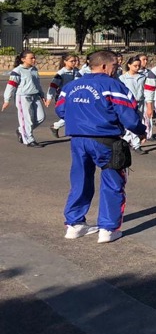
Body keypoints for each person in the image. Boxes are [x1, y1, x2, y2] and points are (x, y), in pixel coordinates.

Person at [57, 50, 146, 244]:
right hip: (106, 140)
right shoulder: (113, 85)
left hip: (78, 139)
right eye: (115, 66)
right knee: (113, 183)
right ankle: (108, 228)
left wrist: (81, 120)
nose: (116, 69)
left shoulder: (71, 86)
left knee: (80, 180)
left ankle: (74, 224)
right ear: (105, 66)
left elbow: (61, 109)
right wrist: (141, 130)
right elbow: (129, 114)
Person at [3, 50, 46, 147]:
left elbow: (37, 84)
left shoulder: (34, 69)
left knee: (41, 117)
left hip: (35, 96)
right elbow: (11, 86)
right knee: (27, 119)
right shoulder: (17, 71)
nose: (34, 59)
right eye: (31, 58)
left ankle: (20, 130)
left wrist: (42, 95)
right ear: (23, 59)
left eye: (34, 57)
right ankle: (29, 140)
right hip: (23, 97)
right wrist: (7, 100)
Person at [46, 54, 81, 138]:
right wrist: (49, 98)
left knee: (73, 114)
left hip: (73, 97)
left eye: (75, 61)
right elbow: (53, 86)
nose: (74, 63)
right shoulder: (61, 73)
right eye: (72, 61)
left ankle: (56, 126)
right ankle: (57, 126)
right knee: (70, 115)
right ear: (65, 62)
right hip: (63, 98)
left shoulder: (76, 71)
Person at [119, 56, 148, 154]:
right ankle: (135, 144)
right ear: (129, 65)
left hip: (140, 102)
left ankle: (128, 142)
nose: (137, 68)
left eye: (139, 66)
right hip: (128, 103)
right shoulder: (122, 78)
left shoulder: (142, 77)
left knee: (138, 122)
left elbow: (146, 90)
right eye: (135, 65)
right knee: (130, 122)